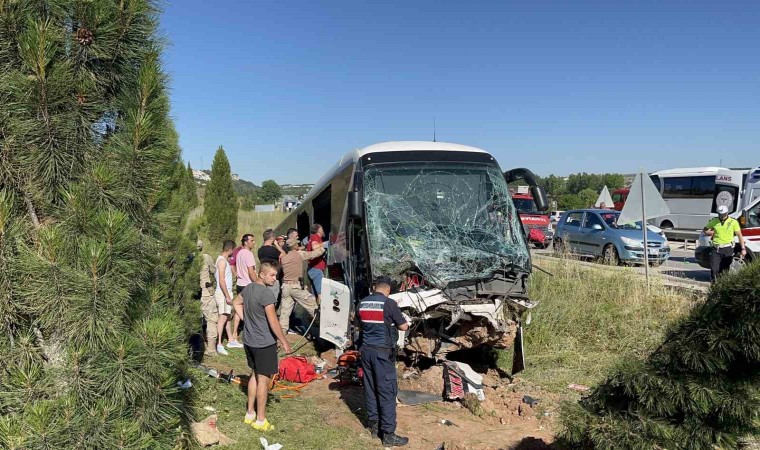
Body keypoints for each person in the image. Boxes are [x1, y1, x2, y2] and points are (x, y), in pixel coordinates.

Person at [232, 261, 292, 432]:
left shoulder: (249, 288)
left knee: (254, 375)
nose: (275, 279)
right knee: (263, 381)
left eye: (276, 275)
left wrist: (247, 320)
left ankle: (249, 413)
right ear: (262, 274)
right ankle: (260, 420)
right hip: (264, 343)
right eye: (272, 275)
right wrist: (284, 341)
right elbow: (273, 321)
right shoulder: (266, 294)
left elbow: (236, 303)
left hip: (249, 341)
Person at [358, 276, 410, 447]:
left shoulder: (363, 303)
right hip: (382, 354)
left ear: (375, 287)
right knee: (387, 392)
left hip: (366, 352)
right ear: (388, 289)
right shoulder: (389, 304)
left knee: (371, 388)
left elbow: (360, 326)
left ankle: (374, 427)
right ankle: (388, 434)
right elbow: (403, 327)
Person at [278, 237, 324, 334]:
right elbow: (314, 254)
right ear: (295, 246)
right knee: (312, 305)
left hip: (285, 287)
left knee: (285, 313)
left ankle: (282, 334)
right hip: (296, 287)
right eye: (297, 244)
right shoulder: (299, 255)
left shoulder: (284, 258)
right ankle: (319, 327)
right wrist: (323, 247)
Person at [704, 205, 746, 282]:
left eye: (723, 214)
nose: (721, 216)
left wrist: (743, 249)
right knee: (714, 269)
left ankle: (722, 288)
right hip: (716, 249)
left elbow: (739, 235)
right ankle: (714, 287)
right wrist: (709, 232)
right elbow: (705, 230)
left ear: (727, 213)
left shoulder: (733, 222)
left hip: (728, 249)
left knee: (724, 271)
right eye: (720, 214)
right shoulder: (714, 221)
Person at [230, 234, 257, 348]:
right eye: (252, 240)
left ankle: (234, 334)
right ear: (246, 242)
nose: (254, 242)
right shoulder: (248, 254)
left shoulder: (239, 253)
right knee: (249, 311)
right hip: (247, 284)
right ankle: (251, 335)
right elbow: (251, 271)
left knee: (238, 310)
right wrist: (257, 283)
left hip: (240, 284)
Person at [214, 240, 236, 355]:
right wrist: (227, 296)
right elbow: (222, 280)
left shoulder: (223, 261)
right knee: (222, 319)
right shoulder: (222, 261)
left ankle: (231, 339)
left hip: (225, 293)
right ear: (230, 250)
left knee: (227, 317)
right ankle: (218, 344)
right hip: (223, 294)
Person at [198, 240, 217, 356]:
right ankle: (211, 349)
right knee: (211, 319)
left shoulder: (186, 257)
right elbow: (213, 270)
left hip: (190, 290)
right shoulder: (206, 257)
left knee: (195, 319)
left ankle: (196, 346)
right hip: (205, 289)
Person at [258, 229, 285, 298]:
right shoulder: (272, 249)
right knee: (272, 298)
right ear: (272, 238)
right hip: (273, 276)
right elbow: (284, 254)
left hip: (264, 275)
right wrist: (276, 245)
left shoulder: (260, 250)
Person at [306, 223, 326, 302]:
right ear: (319, 230)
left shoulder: (312, 237)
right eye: (321, 228)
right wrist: (324, 244)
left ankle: (314, 312)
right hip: (316, 269)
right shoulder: (315, 237)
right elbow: (314, 247)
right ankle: (322, 311)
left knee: (315, 295)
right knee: (320, 294)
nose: (323, 230)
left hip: (312, 269)